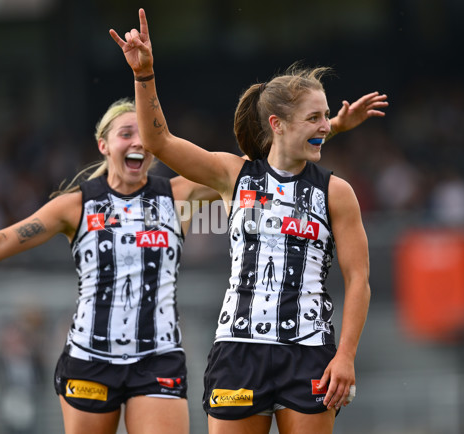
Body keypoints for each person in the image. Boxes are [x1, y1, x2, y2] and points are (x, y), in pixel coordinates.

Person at [110, 9, 379, 434]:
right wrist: (144, 75)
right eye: (315, 118)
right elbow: (159, 142)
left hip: (308, 352)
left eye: (327, 116)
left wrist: (345, 355)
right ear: (277, 124)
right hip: (239, 351)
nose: (326, 126)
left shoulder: (337, 192)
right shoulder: (233, 175)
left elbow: (359, 278)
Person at [0, 98, 220, 434]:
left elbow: (240, 171)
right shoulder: (75, 205)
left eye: (145, 136)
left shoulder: (179, 195)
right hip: (90, 359)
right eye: (126, 133)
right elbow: (4, 240)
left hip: (159, 357)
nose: (138, 142)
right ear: (104, 145)